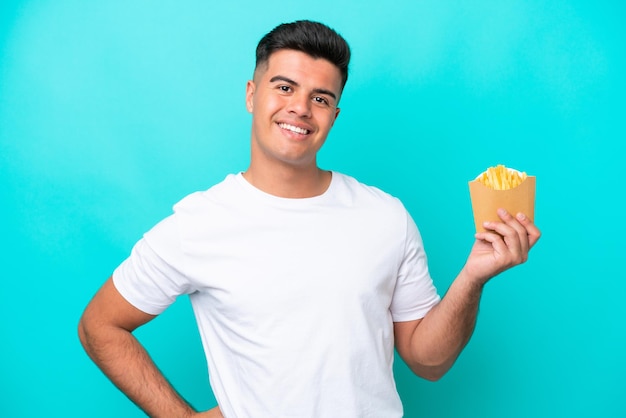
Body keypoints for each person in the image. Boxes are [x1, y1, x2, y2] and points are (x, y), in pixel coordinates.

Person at [78, 20, 541, 418]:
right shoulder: (197, 224)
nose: (300, 107)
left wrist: (473, 277)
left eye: (320, 98)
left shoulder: (385, 216)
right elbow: (99, 325)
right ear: (251, 95)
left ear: (334, 116)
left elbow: (428, 362)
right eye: (284, 87)